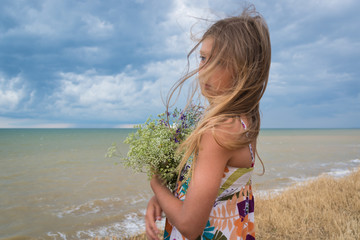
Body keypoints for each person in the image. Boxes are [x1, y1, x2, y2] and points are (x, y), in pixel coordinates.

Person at [145, 5, 271, 240]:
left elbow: (190, 226)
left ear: (245, 71)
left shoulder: (217, 131)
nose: (204, 71)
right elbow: (214, 189)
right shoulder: (243, 121)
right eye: (203, 58)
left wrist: (156, 184)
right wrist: (163, 198)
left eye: (220, 62)